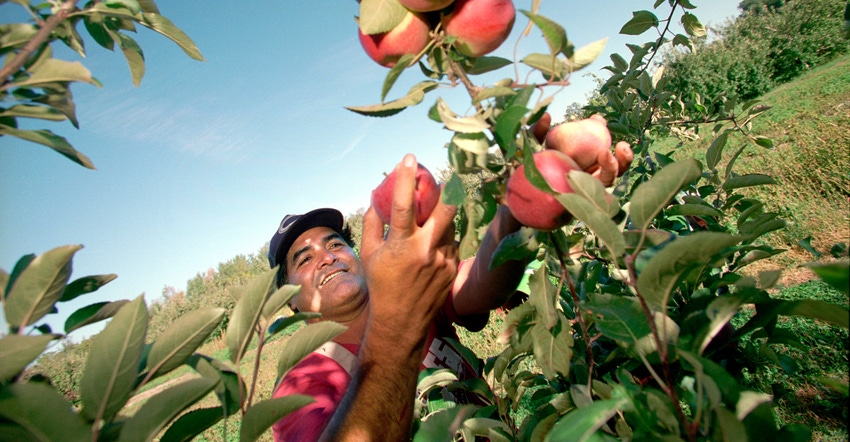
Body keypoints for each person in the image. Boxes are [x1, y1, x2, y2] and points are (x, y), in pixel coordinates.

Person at [269, 146, 631, 440]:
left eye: (334, 243)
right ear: (290, 300)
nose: (328, 257)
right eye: (304, 258)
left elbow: (481, 282)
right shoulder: (301, 384)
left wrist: (520, 198)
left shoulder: (415, 288)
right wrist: (399, 325)